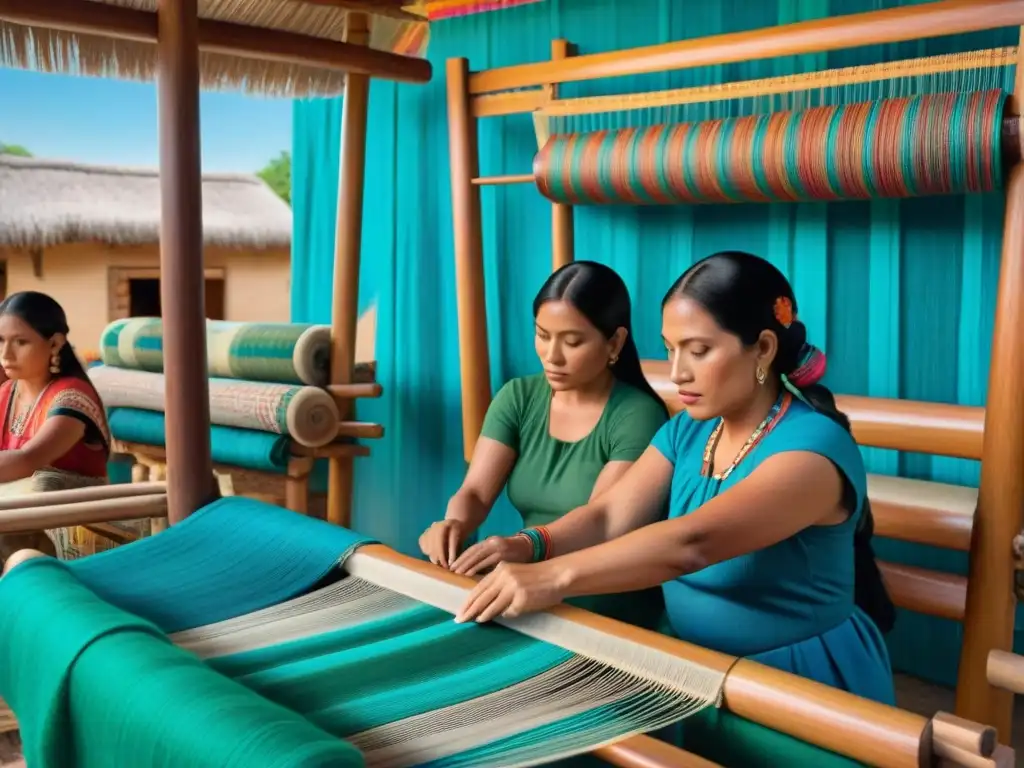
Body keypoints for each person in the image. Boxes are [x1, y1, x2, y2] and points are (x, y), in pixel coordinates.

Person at [452, 251, 896, 705]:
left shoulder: (812, 451)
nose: (678, 372)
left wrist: (554, 576)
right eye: (670, 349)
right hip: (690, 672)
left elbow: (692, 543)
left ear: (762, 348)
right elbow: (608, 516)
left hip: (796, 688)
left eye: (699, 351)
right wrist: (527, 545)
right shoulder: (691, 428)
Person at [419, 261, 669, 628]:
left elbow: (601, 520)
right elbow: (474, 491)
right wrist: (453, 523)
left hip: (605, 612)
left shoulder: (638, 415)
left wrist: (523, 545)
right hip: (520, 592)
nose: (551, 355)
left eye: (572, 341)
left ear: (614, 342)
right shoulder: (518, 397)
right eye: (542, 335)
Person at [0, 292, 112, 563]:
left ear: (54, 343)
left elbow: (29, 460)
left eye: (21, 342)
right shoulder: (6, 393)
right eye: (1, 340)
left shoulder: (73, 396)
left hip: (79, 540)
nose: (6, 353)